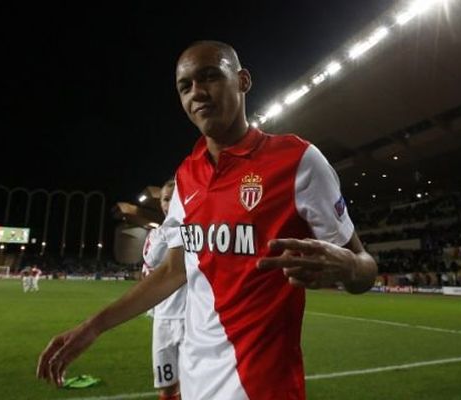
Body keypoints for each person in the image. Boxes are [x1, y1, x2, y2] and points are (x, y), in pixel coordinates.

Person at [37, 41, 378, 399]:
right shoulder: (187, 175)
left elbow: (364, 264)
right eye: (185, 87)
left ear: (243, 80)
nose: (197, 93)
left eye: (210, 77)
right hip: (195, 379)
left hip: (260, 386)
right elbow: (173, 271)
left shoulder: (298, 161)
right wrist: (93, 327)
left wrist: (352, 269)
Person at [141, 179, 186, 400]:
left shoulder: (197, 230)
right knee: (166, 387)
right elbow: (154, 263)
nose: (169, 203)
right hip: (164, 318)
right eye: (165, 199)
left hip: (193, 318)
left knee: (195, 385)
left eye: (173, 198)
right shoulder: (154, 236)